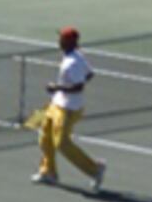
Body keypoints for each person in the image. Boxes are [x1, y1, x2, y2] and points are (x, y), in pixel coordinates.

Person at [28, 26, 106, 190]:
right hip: (56, 103)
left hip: (68, 109)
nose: (58, 41)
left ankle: (95, 169)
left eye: (61, 38)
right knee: (44, 135)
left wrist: (57, 88)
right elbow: (90, 74)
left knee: (62, 143)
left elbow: (79, 87)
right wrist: (60, 90)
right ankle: (48, 172)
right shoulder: (76, 55)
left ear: (68, 42)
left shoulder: (72, 62)